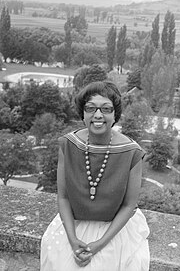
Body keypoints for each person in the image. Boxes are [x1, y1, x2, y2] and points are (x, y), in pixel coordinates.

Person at [41, 81, 150, 270]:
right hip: (71, 227)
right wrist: (73, 240)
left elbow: (129, 205)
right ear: (82, 113)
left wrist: (99, 244)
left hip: (114, 232)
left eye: (106, 109)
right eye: (90, 108)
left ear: (115, 114)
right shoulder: (67, 144)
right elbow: (64, 197)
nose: (98, 115)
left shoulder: (132, 152)